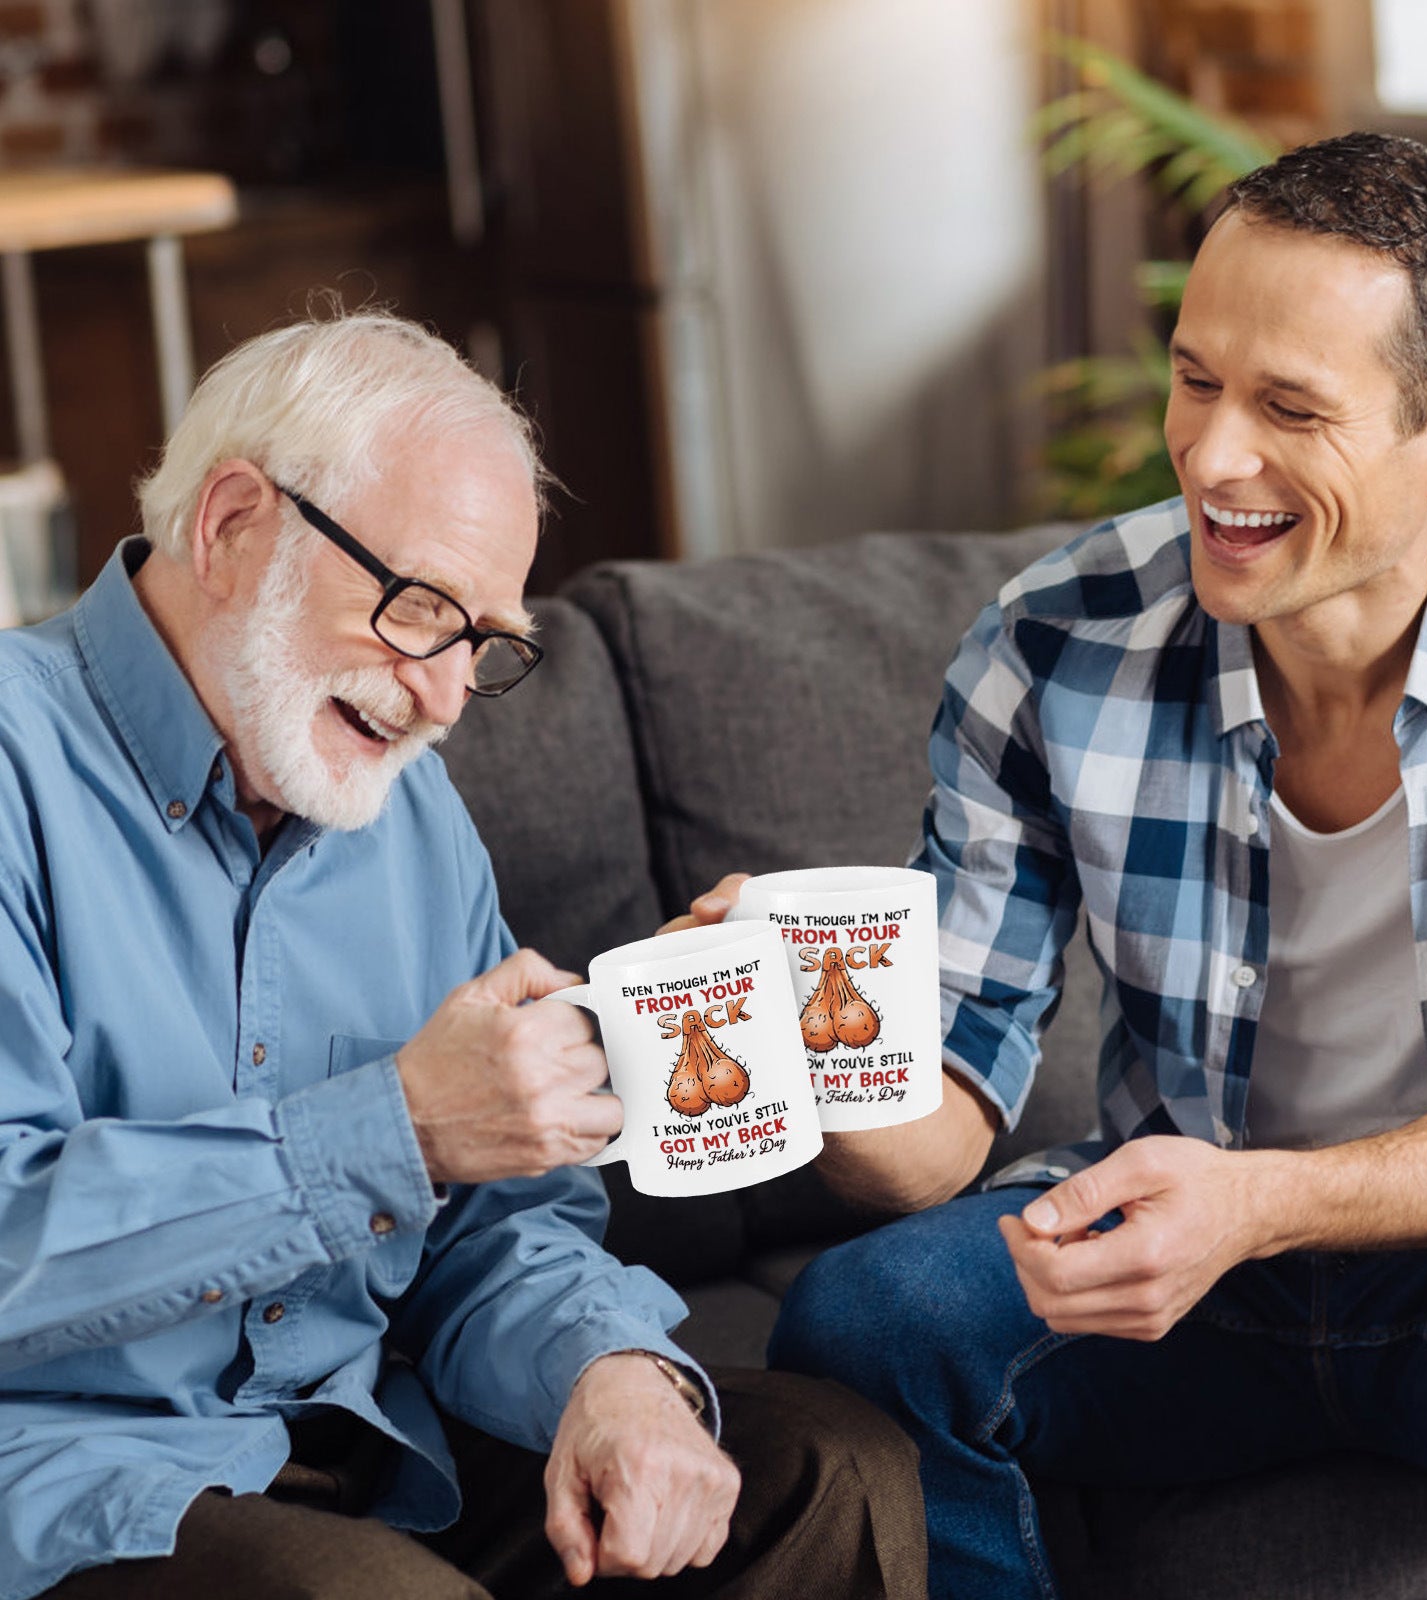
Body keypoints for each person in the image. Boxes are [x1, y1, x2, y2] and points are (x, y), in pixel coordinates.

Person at [741, 131, 1427, 1598]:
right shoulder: (1055, 642)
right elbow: (942, 1125)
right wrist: (807, 1028)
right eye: (1196, 378)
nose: (1210, 457)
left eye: (1289, 408)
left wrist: (1264, 1201)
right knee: (866, 1317)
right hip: (1175, 1272)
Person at [0, 310, 925, 1600]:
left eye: (483, 642)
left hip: (375, 1448)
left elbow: (493, 1227)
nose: (442, 697)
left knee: (828, 1472)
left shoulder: (402, 809)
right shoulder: (14, 764)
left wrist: (613, 1374)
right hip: (77, 1482)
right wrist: (396, 1127)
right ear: (229, 524)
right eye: (421, 606)